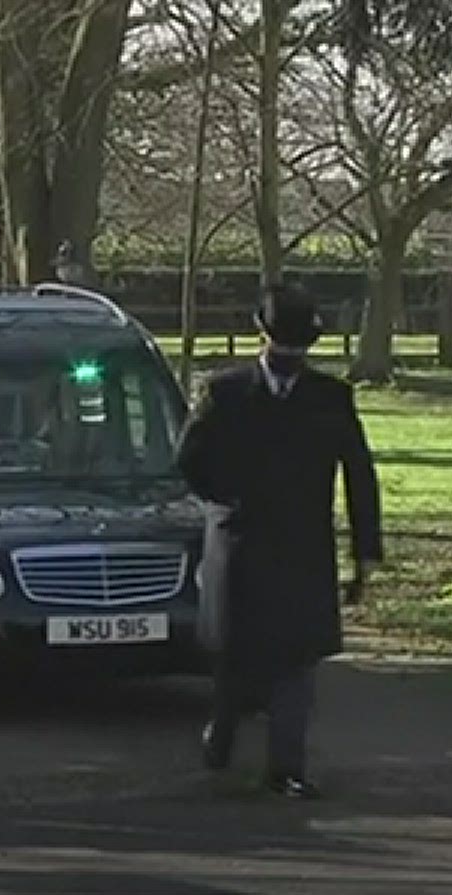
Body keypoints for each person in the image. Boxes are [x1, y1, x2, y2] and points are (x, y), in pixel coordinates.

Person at [175, 283, 383, 798]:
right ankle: (222, 729)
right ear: (262, 336)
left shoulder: (331, 399)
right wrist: (225, 502)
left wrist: (366, 553)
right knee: (237, 657)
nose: (291, 358)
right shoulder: (224, 393)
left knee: (297, 661)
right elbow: (188, 460)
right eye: (283, 346)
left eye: (300, 349)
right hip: (240, 546)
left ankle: (286, 768)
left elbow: (360, 474)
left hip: (302, 550)